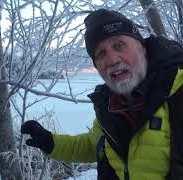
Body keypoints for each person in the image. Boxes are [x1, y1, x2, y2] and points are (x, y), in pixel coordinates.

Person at [21, 8, 183, 180]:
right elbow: (96, 144)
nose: (112, 60)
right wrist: (51, 143)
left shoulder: (177, 92)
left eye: (119, 45)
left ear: (142, 47)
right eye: (101, 53)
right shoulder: (112, 104)